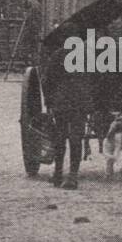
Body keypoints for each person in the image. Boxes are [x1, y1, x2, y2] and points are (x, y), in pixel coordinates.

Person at [43, 39, 94, 190]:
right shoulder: (87, 55)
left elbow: (48, 81)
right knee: (76, 137)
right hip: (80, 101)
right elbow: (95, 79)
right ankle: (72, 176)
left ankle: (58, 173)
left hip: (62, 102)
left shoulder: (57, 55)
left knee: (60, 137)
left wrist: (49, 101)